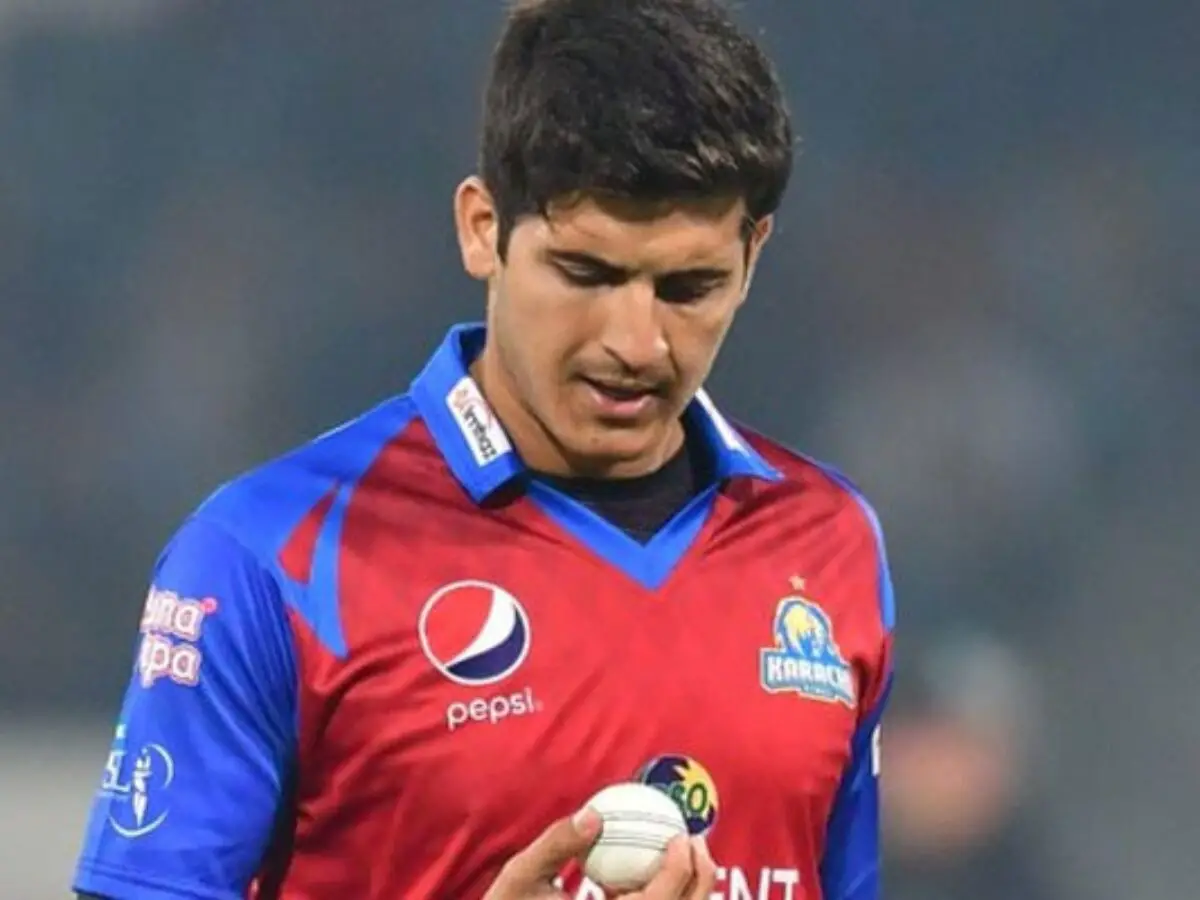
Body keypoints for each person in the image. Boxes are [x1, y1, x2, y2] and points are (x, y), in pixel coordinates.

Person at [72, 1, 895, 898]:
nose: (636, 342)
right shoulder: (271, 554)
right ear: (481, 227)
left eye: (688, 287)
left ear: (753, 256)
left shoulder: (830, 544)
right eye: (586, 273)